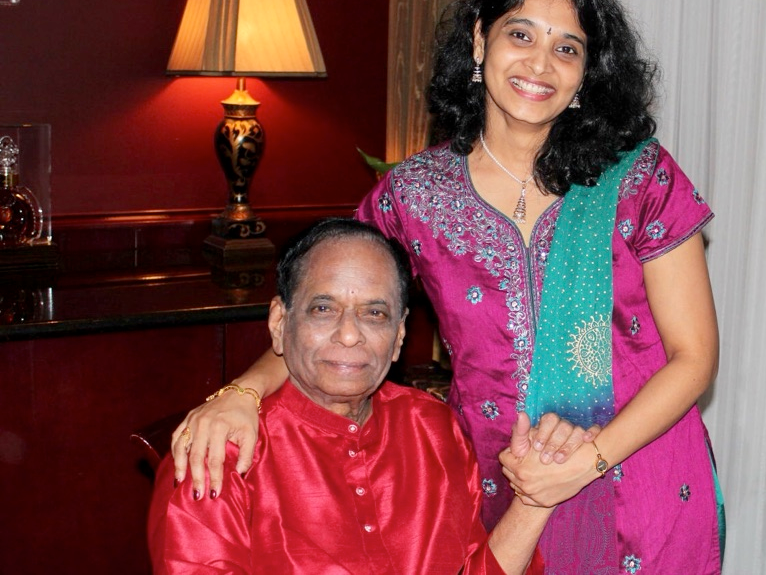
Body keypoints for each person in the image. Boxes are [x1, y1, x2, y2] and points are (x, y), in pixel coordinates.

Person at [173, 0, 724, 574]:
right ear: (480, 40)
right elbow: (329, 312)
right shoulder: (414, 196)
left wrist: (586, 462)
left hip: (640, 478)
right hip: (499, 483)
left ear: (587, 72)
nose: (540, 64)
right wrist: (241, 393)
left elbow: (694, 357)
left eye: (567, 48)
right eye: (521, 35)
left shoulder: (639, 178)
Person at [150, 219, 555, 574]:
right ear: (279, 322)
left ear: (399, 335)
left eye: (374, 314)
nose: (349, 335)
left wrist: (536, 499)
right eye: (323, 309)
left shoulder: (432, 429)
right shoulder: (216, 455)